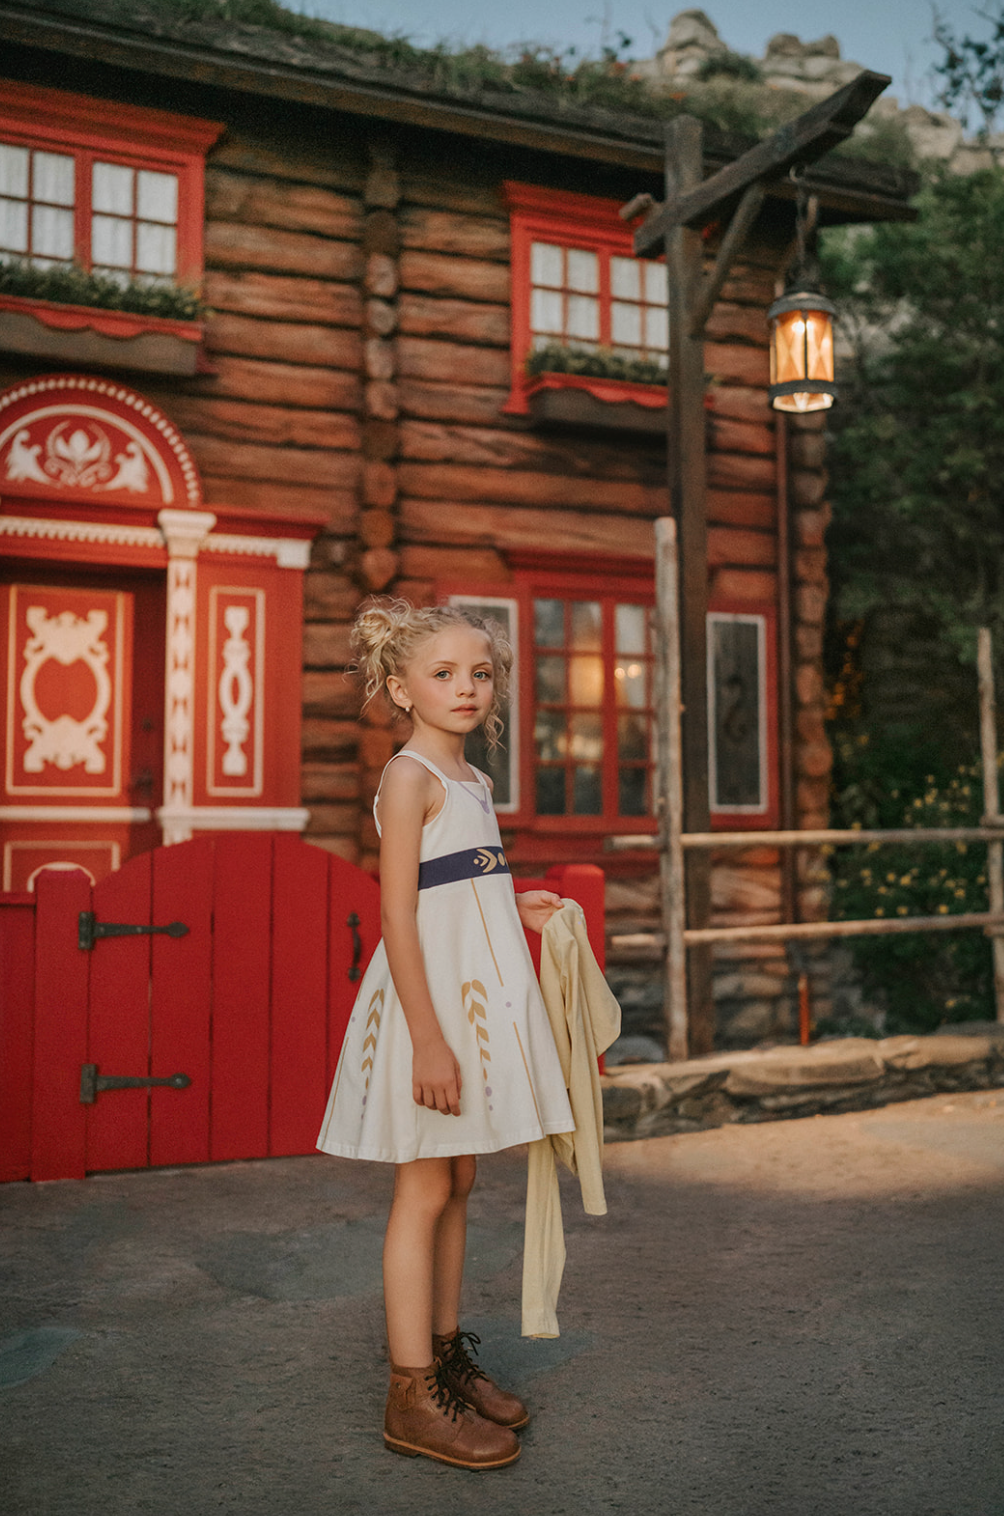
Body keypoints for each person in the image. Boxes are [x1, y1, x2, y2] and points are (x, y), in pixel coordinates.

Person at [317, 600, 575, 1472]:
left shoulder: (473, 781)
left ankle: (446, 1355)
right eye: (443, 674)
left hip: (469, 1005)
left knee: (459, 1179)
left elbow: (459, 885)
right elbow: (397, 917)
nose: (466, 688)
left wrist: (520, 902)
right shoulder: (409, 774)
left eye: (481, 672)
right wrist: (427, 1041)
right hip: (429, 1011)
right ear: (400, 687)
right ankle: (409, 1392)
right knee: (423, 1187)